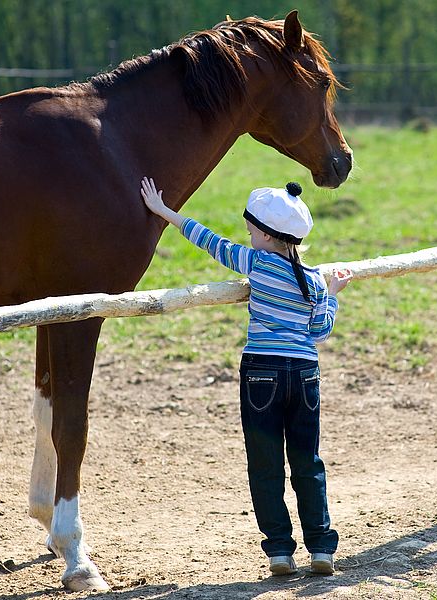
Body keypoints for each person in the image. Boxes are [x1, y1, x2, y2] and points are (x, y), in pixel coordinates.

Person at [140, 176, 352, 576]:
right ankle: (322, 547)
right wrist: (333, 295)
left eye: (251, 229)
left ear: (268, 235)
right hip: (305, 374)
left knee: (265, 462)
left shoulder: (256, 262)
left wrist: (164, 211)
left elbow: (206, 239)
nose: (247, 234)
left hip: (261, 374)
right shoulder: (313, 280)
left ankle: (279, 551)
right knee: (308, 461)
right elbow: (320, 332)